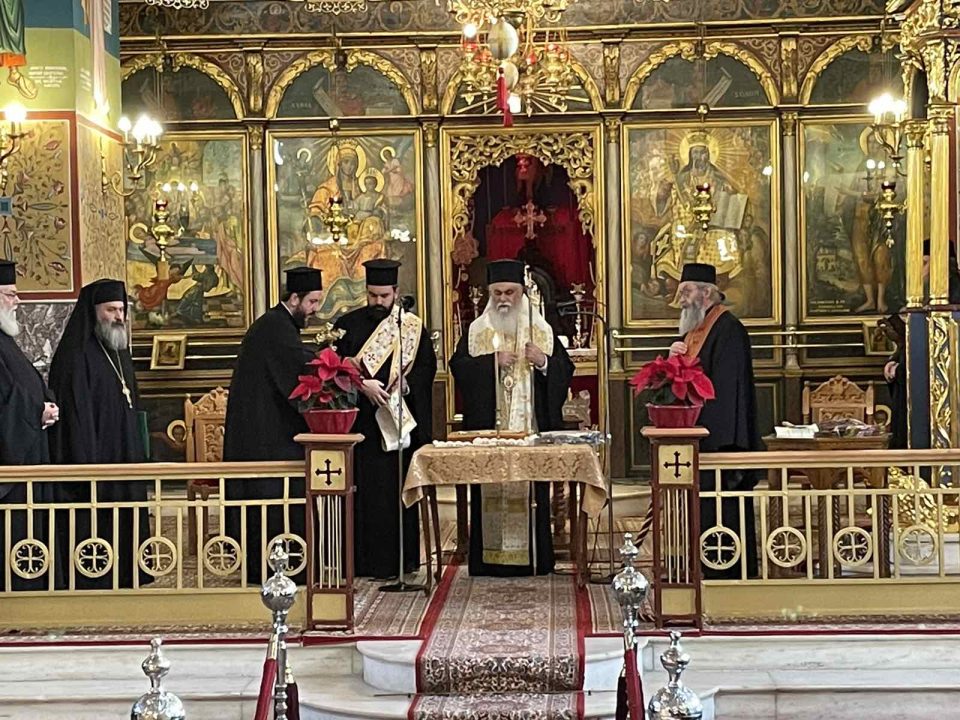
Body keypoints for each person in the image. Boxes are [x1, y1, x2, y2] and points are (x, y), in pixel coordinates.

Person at [449, 259, 573, 577]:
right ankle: (488, 561)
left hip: (528, 432)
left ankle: (535, 558)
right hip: (490, 434)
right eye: (498, 293)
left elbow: (564, 371)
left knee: (532, 497)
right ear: (490, 294)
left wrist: (543, 362)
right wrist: (491, 362)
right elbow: (459, 367)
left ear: (522, 293)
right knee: (488, 495)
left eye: (510, 292)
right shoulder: (477, 330)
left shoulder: (541, 329)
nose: (504, 299)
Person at [333, 259, 436, 579]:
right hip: (362, 426)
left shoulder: (411, 327)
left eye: (384, 296)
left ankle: (401, 562)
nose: (378, 302)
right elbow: (333, 369)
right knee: (364, 495)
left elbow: (425, 369)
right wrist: (362, 385)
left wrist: (405, 384)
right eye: (372, 295)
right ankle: (361, 563)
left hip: (397, 423)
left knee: (394, 495)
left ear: (396, 292)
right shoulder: (347, 324)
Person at [48, 279, 151, 590]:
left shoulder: (118, 350)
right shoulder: (75, 356)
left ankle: (130, 571)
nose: (118, 317)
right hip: (93, 458)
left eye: (121, 310)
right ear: (93, 312)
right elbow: (75, 419)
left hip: (125, 455)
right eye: (111, 310)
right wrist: (87, 465)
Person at [224, 266, 322, 583]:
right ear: (294, 298)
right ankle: (278, 568)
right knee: (274, 502)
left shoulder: (278, 325)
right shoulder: (276, 329)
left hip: (267, 431)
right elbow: (298, 371)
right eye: (312, 302)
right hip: (265, 438)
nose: (315, 309)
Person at [668, 263, 761, 579]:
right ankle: (704, 568)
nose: (681, 299)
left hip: (722, 440)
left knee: (724, 509)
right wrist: (672, 358)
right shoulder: (695, 328)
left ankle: (727, 573)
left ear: (706, 292)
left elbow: (728, 392)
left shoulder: (728, 329)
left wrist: (713, 439)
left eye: (686, 291)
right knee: (704, 509)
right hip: (700, 435)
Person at [0, 260, 58, 591]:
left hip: (30, 457)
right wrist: (35, 412)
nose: (18, 301)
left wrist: (46, 404)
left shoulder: (6, 340)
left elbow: (25, 386)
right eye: (10, 294)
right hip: (10, 465)